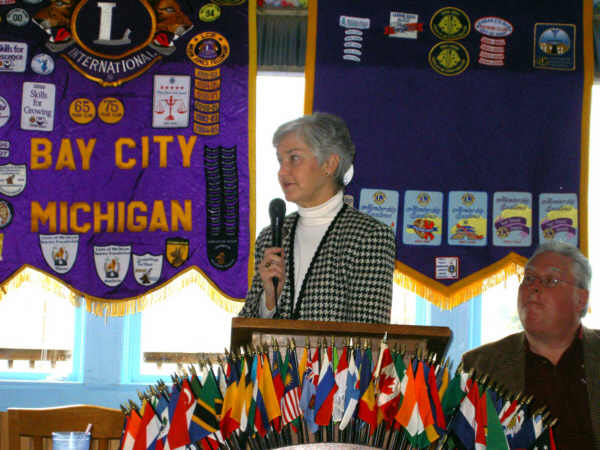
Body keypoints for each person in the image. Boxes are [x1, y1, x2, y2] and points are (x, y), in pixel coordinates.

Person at [238, 112, 395, 323]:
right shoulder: (271, 236)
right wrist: (269, 300)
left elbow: (368, 336)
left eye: (294, 158)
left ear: (329, 164)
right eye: (280, 161)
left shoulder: (368, 237)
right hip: (275, 357)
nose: (282, 172)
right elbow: (246, 329)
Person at [461, 242, 600, 449]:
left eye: (551, 281)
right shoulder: (481, 366)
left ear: (581, 299)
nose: (534, 287)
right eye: (529, 278)